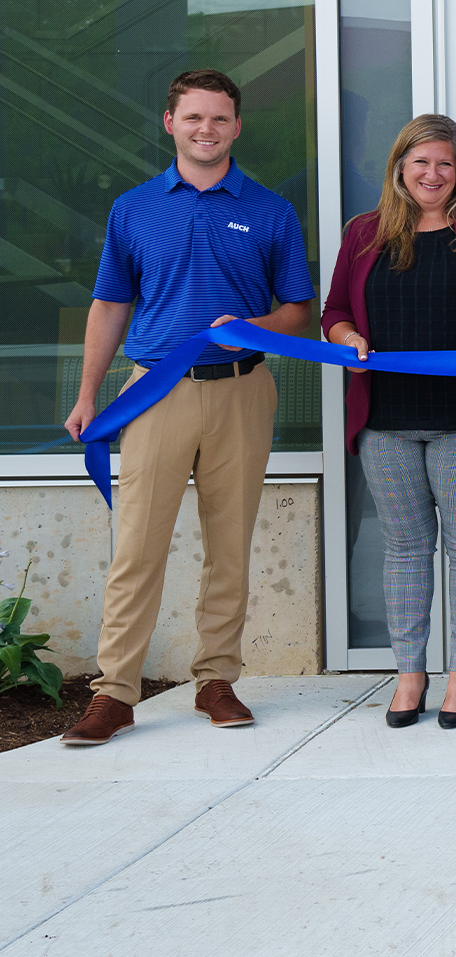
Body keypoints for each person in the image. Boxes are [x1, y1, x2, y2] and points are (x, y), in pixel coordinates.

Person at [61, 70, 316, 746]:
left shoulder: (270, 210)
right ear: (169, 122)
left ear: (237, 126)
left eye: (221, 119)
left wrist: (255, 325)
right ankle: (114, 693)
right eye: (195, 117)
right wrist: (87, 395)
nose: (208, 129)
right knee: (138, 546)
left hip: (242, 390)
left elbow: (299, 309)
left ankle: (217, 680)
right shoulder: (134, 208)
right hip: (155, 393)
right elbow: (110, 304)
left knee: (229, 546)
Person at [322, 115, 456, 730]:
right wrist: (347, 336)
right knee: (405, 549)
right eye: (421, 163)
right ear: (399, 167)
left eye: (444, 163)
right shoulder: (364, 233)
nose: (433, 174)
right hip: (385, 420)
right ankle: (410, 673)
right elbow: (334, 309)